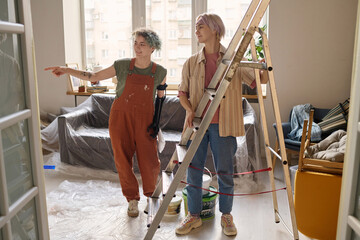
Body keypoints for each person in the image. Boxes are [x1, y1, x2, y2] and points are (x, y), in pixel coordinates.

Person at [45, 28, 167, 218]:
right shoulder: (122, 65)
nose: (137, 47)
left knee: (150, 161)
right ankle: (132, 200)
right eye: (135, 43)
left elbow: (161, 98)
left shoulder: (160, 71)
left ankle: (152, 197)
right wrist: (67, 70)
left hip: (145, 120)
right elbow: (93, 77)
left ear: (153, 48)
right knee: (122, 160)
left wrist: (156, 124)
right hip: (120, 118)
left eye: (142, 44)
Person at [175, 13, 268, 236]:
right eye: (196, 27)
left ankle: (226, 216)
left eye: (201, 27)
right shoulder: (191, 62)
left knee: (225, 173)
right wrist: (189, 110)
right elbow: (182, 93)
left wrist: (264, 64)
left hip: (223, 126)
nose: (196, 31)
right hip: (198, 125)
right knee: (194, 171)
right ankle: (194, 216)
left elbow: (259, 81)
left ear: (215, 29)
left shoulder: (233, 61)